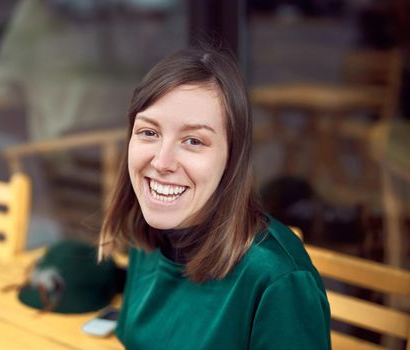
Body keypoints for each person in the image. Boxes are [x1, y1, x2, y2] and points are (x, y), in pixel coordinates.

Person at [98, 46, 331, 349]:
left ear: (231, 158)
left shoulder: (277, 280)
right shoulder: (148, 235)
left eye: (193, 140)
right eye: (149, 132)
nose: (161, 161)